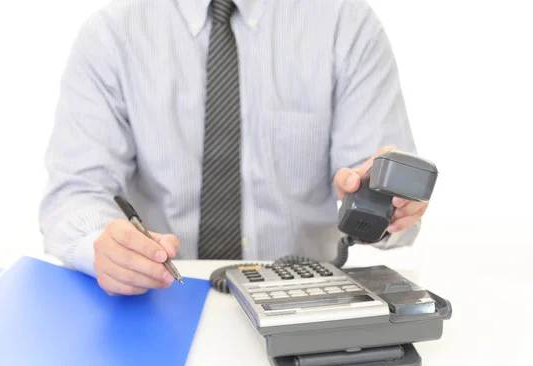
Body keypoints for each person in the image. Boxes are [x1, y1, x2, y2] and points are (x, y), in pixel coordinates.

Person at [39, 0, 429, 296]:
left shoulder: (346, 24)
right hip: (160, 295)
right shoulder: (112, 34)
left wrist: (389, 206)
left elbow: (375, 187)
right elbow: (76, 192)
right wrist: (103, 248)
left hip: (302, 295)